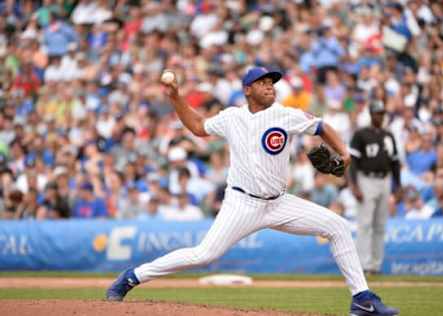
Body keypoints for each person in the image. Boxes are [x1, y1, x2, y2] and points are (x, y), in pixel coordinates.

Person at [106, 67, 399, 316]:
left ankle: (362, 300)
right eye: (262, 83)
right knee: (203, 255)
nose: (270, 87)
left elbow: (321, 126)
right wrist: (176, 98)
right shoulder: (232, 117)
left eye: (272, 83)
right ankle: (132, 277)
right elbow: (197, 126)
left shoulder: (286, 115)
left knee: (337, 226)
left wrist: (344, 153)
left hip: (279, 202)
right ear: (248, 90)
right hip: (242, 203)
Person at [349, 101, 401, 276]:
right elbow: (353, 162)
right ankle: (363, 265)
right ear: (371, 114)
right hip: (366, 179)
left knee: (380, 225)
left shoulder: (388, 135)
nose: (380, 116)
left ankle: (376, 266)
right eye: (378, 113)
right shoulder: (361, 134)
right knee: (364, 224)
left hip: (385, 180)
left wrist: (398, 185)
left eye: (382, 113)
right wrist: (354, 185)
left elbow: (395, 161)